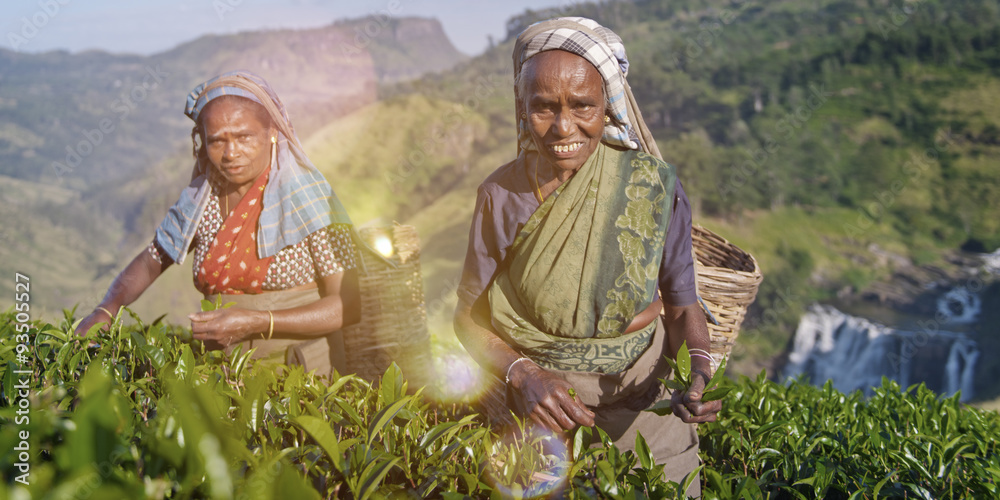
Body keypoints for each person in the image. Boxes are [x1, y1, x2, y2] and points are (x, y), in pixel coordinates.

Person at [453, 17, 721, 492]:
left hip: (647, 415)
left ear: (607, 107)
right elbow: (468, 320)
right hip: (544, 415)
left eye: (582, 106)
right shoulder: (500, 195)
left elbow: (682, 308)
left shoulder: (652, 189)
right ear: (522, 108)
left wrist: (699, 370)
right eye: (543, 108)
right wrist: (525, 375)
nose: (563, 127)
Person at [76, 71, 360, 373]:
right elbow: (152, 259)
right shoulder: (204, 197)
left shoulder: (310, 199)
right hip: (222, 375)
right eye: (216, 141)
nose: (230, 153)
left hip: (300, 376)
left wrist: (257, 322)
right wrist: (107, 308)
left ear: (273, 132)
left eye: (244, 136)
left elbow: (349, 304)